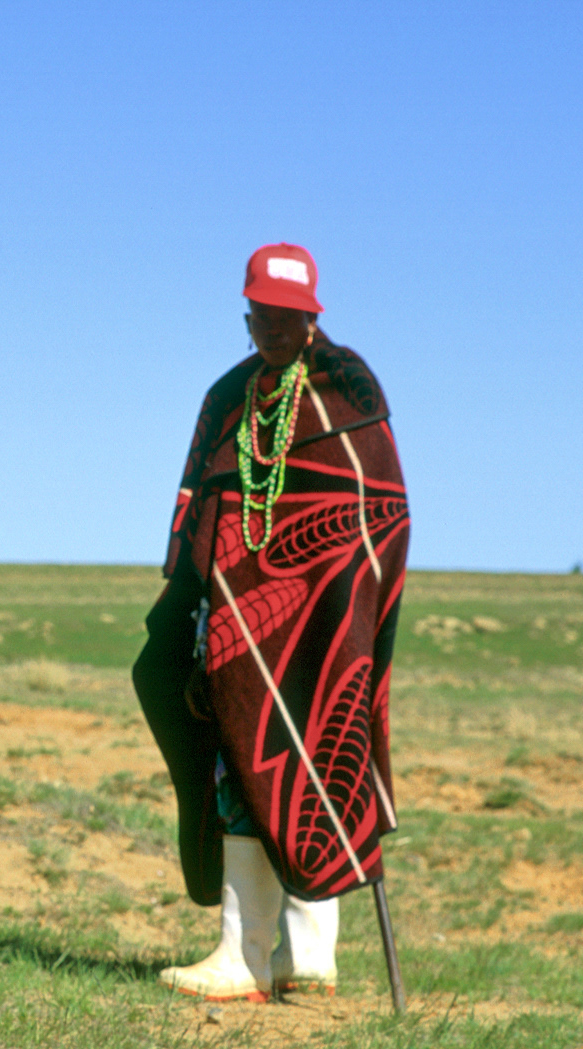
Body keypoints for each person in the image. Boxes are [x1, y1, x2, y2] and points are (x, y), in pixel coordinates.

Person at [132, 243, 408, 1002]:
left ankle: (303, 955)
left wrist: (341, 597)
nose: (277, 329)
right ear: (246, 314)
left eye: (292, 317)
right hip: (241, 625)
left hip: (323, 625)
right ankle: (247, 951)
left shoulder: (346, 388)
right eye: (265, 316)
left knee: (321, 762)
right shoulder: (228, 398)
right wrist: (196, 593)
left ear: (313, 315)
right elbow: (201, 500)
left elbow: (376, 510)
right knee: (241, 765)